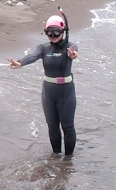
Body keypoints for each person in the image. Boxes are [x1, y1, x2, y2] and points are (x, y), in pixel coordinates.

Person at [7, 15, 79, 156]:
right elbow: (33, 56)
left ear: (63, 31)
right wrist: (20, 63)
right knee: (52, 126)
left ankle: (68, 161)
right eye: (49, 32)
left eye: (56, 32)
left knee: (67, 126)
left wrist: (73, 55)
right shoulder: (43, 48)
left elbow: (73, 53)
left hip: (66, 92)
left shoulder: (70, 47)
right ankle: (56, 156)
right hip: (48, 92)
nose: (52, 36)